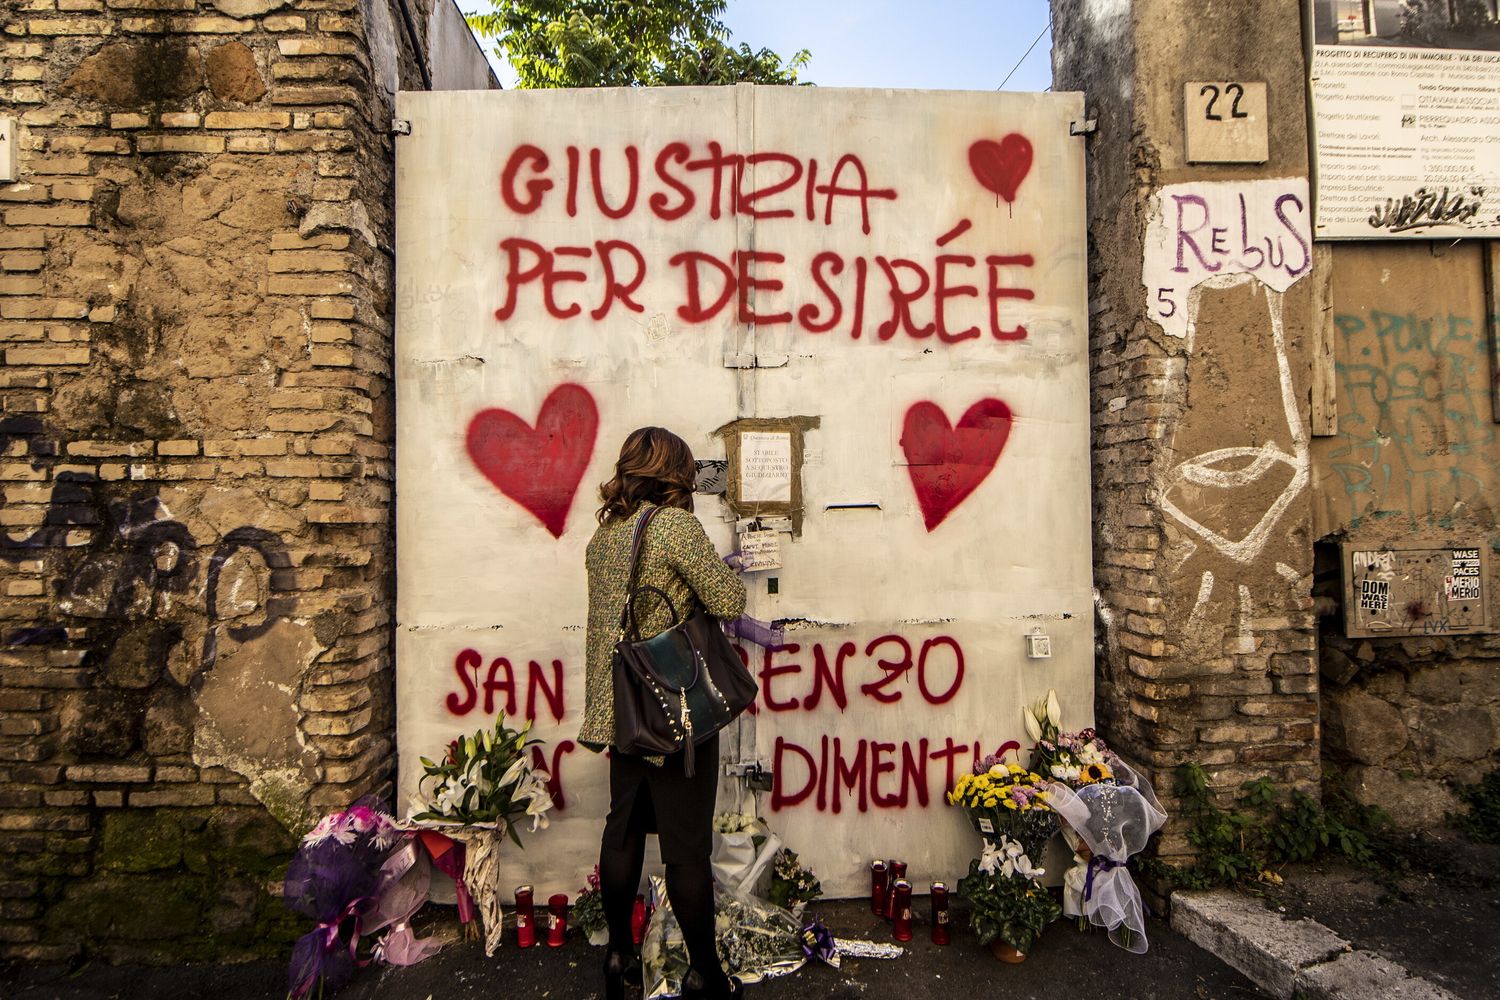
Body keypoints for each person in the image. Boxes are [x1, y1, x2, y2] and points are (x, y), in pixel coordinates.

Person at [582, 426, 748, 1000]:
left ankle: (617, 959)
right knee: (685, 849)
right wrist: (718, 573)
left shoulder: (605, 535)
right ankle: (707, 975)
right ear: (673, 472)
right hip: (676, 713)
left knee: (623, 830)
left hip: (623, 713)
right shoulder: (675, 527)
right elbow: (729, 601)